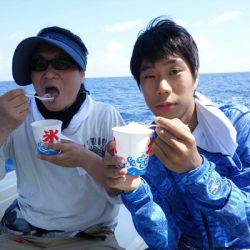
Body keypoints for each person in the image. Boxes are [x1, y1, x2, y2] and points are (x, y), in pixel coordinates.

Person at [104, 17, 250, 249]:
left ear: (196, 76)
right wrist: (133, 190)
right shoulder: (145, 146)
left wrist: (197, 171)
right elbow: (164, 241)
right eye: (149, 76)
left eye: (174, 71)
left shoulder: (238, 126)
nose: (162, 87)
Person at [0, 26, 126, 249]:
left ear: (82, 74)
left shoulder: (105, 117)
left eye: (62, 63)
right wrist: (1, 128)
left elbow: (122, 190)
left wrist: (85, 160)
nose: (49, 73)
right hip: (23, 231)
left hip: (90, 234)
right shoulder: (15, 118)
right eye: (39, 65)